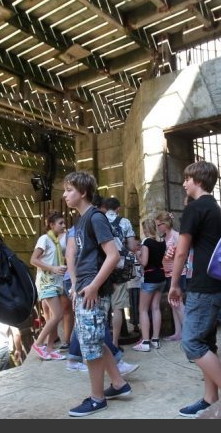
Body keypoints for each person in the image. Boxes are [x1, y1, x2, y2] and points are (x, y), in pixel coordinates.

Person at [168, 160, 221, 418]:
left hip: (204, 286)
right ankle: (210, 398)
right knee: (206, 341)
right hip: (215, 283)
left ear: (198, 180)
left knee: (192, 343)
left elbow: (182, 251)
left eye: (187, 178)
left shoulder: (195, 208)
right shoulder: (215, 208)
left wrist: (174, 284)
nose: (184, 183)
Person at [62, 171, 133, 417]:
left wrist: (92, 287)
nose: (65, 195)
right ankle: (118, 383)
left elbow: (113, 255)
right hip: (84, 288)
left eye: (69, 190)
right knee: (95, 340)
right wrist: (77, 286)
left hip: (92, 290)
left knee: (90, 346)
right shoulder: (81, 221)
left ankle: (97, 398)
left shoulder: (95, 218)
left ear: (83, 192)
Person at [64, 223, 140, 376]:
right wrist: (74, 285)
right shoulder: (81, 228)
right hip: (82, 282)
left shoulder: (88, 225)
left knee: (87, 324)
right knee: (96, 324)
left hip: (85, 281)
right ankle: (117, 363)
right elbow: (70, 255)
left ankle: (74, 359)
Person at [29, 212, 68, 361]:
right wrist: (53, 268)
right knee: (57, 315)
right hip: (47, 282)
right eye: (61, 223)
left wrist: (58, 268)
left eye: (64, 223)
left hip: (56, 282)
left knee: (54, 316)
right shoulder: (45, 239)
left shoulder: (57, 242)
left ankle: (50, 348)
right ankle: (39, 344)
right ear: (52, 225)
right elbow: (33, 260)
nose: (64, 226)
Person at [103, 197, 138, 348]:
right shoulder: (124, 222)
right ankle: (115, 343)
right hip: (119, 266)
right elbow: (131, 246)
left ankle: (103, 341)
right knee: (117, 306)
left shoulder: (99, 220)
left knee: (103, 305)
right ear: (118, 208)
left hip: (103, 266)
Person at [132, 218, 166, 352]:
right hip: (161, 276)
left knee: (143, 310)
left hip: (150, 277)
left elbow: (145, 262)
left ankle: (145, 342)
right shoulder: (161, 241)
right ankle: (155, 340)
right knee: (156, 308)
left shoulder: (147, 241)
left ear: (145, 229)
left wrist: (137, 254)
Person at [156, 210, 187, 341]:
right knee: (173, 303)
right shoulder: (165, 238)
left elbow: (181, 255)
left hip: (178, 273)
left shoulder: (176, 236)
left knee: (178, 303)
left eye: (159, 225)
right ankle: (178, 332)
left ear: (165, 223)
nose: (157, 228)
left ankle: (188, 332)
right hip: (168, 273)